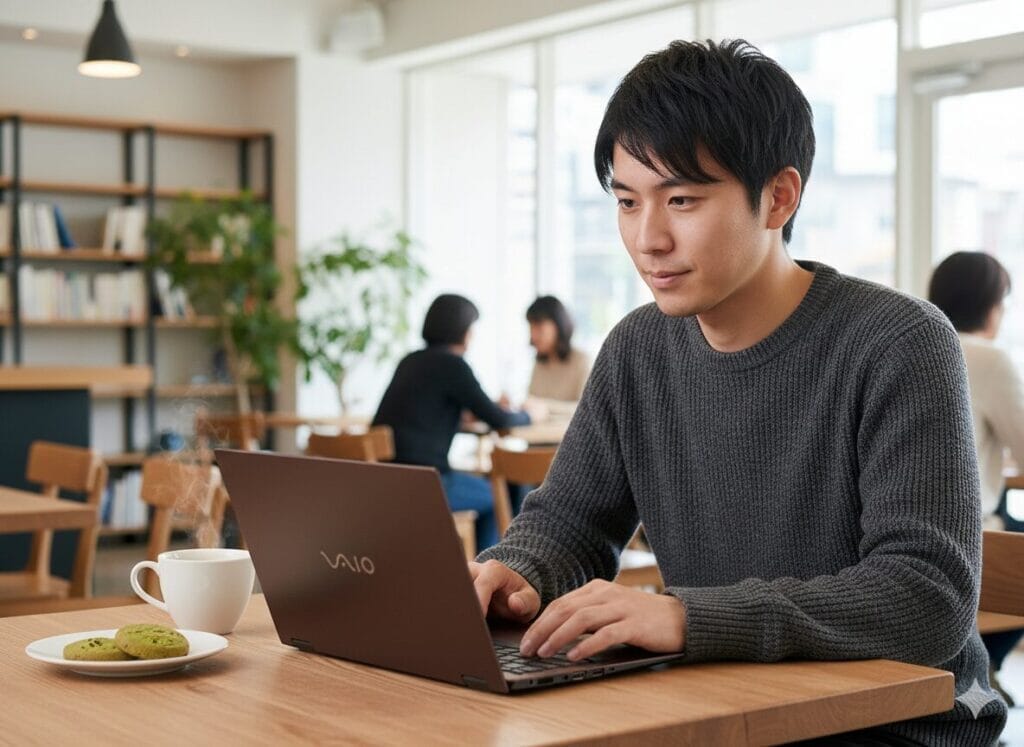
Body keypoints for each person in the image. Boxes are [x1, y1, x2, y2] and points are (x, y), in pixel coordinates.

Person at [470, 39, 1005, 744]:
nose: (648, 237)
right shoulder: (637, 348)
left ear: (779, 196)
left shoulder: (899, 341)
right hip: (728, 710)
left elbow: (927, 597)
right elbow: (571, 521)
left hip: (893, 726)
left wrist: (689, 617)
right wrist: (515, 570)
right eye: (627, 202)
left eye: (682, 199)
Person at [373, 293, 544, 552]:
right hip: (426, 485)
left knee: (486, 487)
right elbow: (499, 419)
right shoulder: (454, 366)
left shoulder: (410, 361)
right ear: (463, 331)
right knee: (500, 499)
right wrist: (532, 415)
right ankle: (485, 580)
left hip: (387, 483)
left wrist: (462, 412)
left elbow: (427, 407)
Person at [929, 250, 1024, 706]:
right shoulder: (987, 358)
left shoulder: (906, 340)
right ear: (992, 305)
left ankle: (986, 667)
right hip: (971, 537)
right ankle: (986, 665)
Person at [525, 296, 591, 405]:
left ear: (558, 325)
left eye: (539, 327)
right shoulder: (539, 363)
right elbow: (532, 404)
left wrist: (544, 407)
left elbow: (584, 410)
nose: (533, 335)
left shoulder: (581, 360)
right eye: (531, 328)